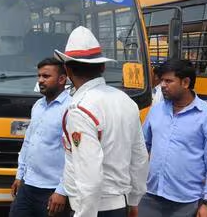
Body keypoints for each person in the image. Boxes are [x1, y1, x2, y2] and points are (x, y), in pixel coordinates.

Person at [54, 26, 149, 217]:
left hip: (93, 209)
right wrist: (133, 201)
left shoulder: (79, 109)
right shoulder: (126, 101)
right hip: (120, 204)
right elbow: (139, 157)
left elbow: (90, 176)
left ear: (67, 69)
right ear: (103, 67)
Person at [139, 59, 207, 217]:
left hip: (186, 202)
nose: (162, 85)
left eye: (168, 81)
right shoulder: (156, 111)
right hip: (150, 196)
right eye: (162, 80)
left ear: (185, 82)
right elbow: (142, 147)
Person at [9, 58, 72, 217]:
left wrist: (61, 191)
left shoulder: (71, 108)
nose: (40, 80)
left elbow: (74, 155)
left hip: (52, 192)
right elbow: (28, 142)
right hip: (27, 186)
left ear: (62, 79)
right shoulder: (38, 105)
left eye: (46, 76)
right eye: (39, 76)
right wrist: (19, 175)